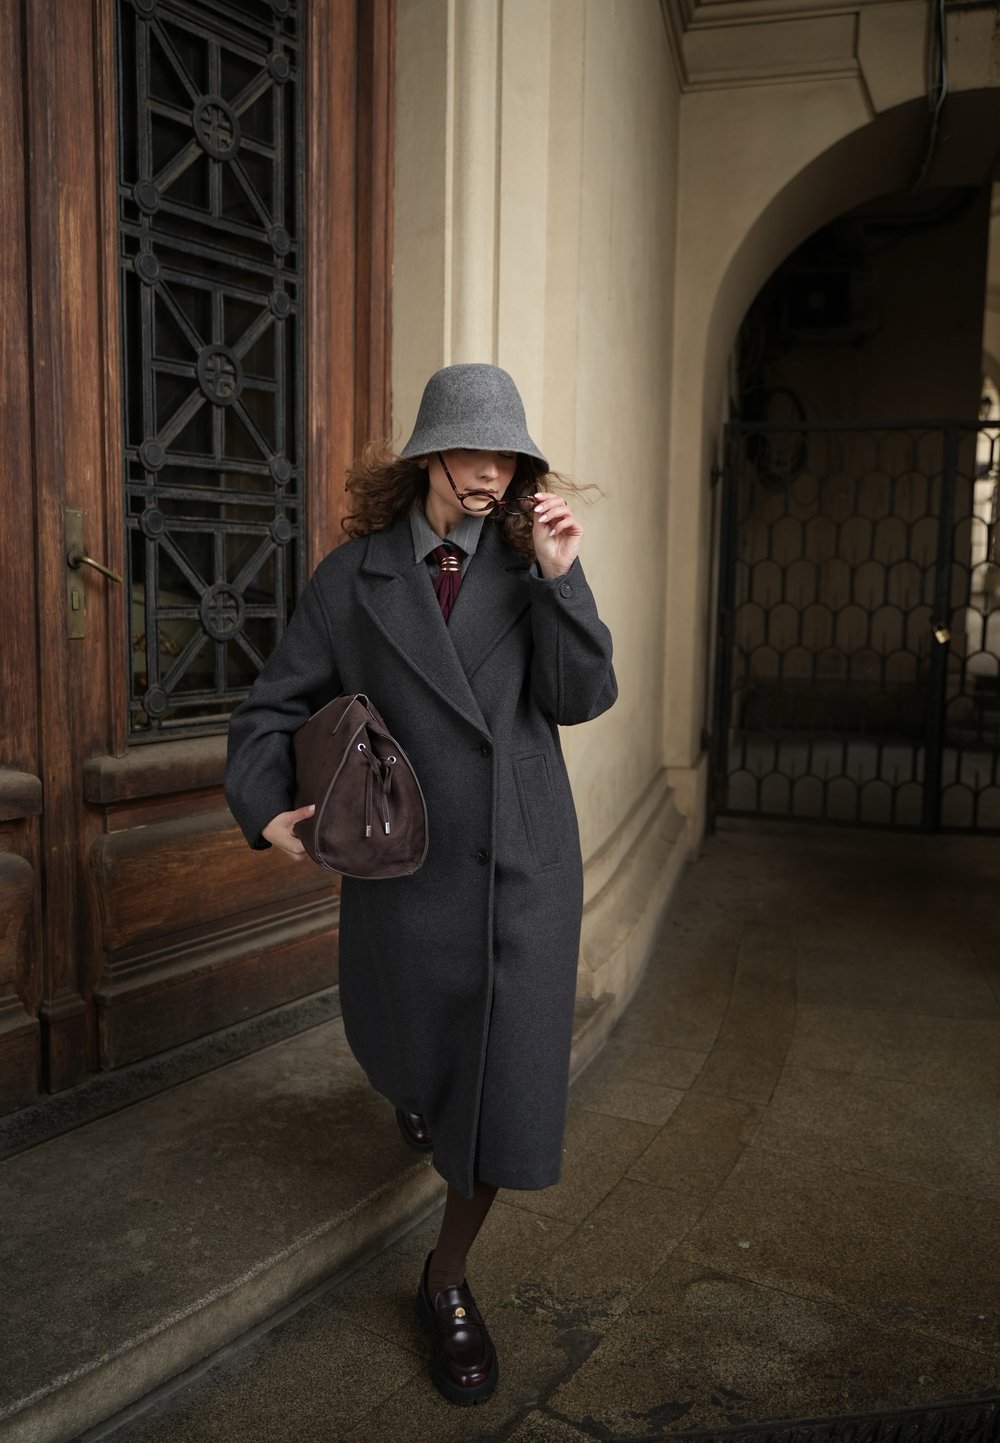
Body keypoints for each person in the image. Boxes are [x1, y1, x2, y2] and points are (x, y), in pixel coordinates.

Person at [224, 363, 617, 1406]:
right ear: (429, 455)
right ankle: (414, 1093)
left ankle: (445, 1281)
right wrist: (266, 810)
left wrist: (563, 577)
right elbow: (273, 707)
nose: (490, 471)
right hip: (404, 864)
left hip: (523, 864)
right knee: (404, 1047)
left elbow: (580, 698)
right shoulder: (350, 581)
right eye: (472, 449)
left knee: (503, 1093)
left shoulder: (534, 563)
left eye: (509, 455)